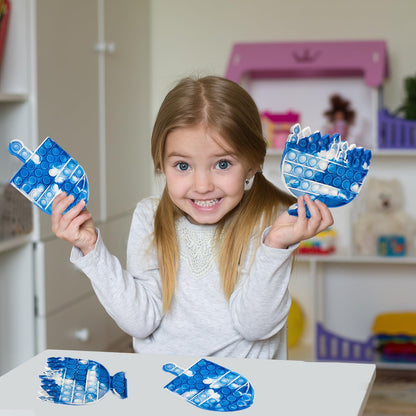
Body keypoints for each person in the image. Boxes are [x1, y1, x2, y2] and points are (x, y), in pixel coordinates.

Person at [51, 75, 333, 359]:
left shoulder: (270, 222)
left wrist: (274, 247)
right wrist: (91, 250)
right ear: (161, 164)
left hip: (246, 392)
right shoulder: (149, 217)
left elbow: (255, 327)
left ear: (252, 165)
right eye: (182, 165)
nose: (202, 185)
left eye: (222, 164)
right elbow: (140, 321)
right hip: (163, 386)